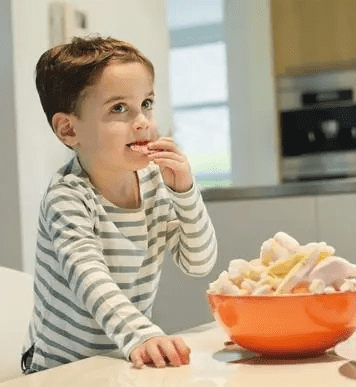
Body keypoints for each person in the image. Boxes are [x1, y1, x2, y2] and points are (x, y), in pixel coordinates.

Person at [21, 35, 218, 373]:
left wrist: (185, 191)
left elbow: (198, 262)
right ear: (68, 129)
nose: (142, 121)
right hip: (59, 371)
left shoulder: (155, 183)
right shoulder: (68, 197)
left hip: (121, 362)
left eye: (147, 103)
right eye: (119, 108)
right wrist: (143, 335)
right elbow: (91, 280)